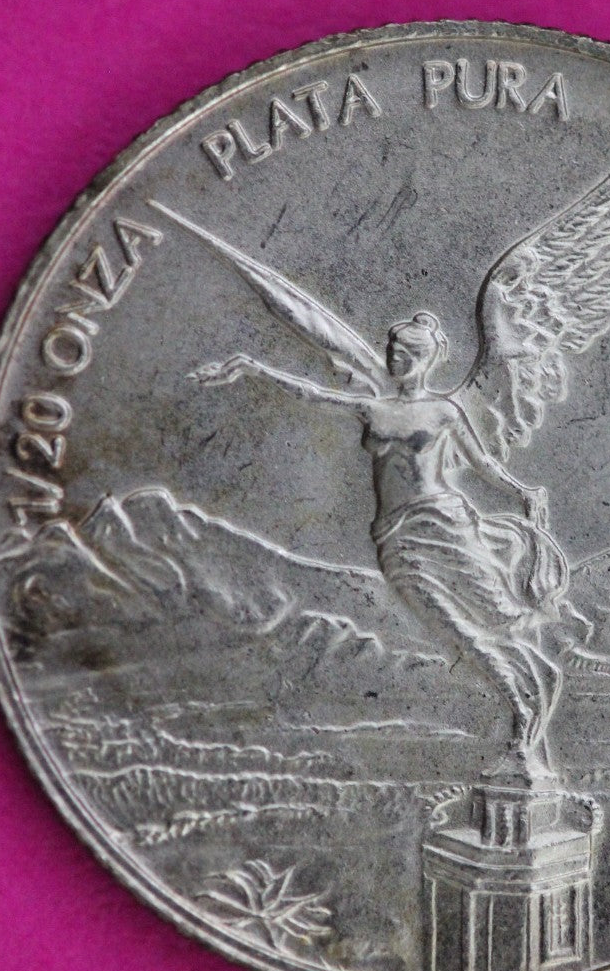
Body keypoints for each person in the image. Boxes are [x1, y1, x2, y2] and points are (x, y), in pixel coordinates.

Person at [195, 311, 587, 780]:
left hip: (443, 525)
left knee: (495, 618)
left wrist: (522, 492)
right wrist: (254, 368)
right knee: (451, 628)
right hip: (395, 535)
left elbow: (482, 464)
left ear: (426, 359)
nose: (394, 358)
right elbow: (314, 395)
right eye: (392, 350)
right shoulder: (373, 409)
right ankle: (524, 699)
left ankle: (529, 706)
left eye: (404, 352)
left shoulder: (444, 412)